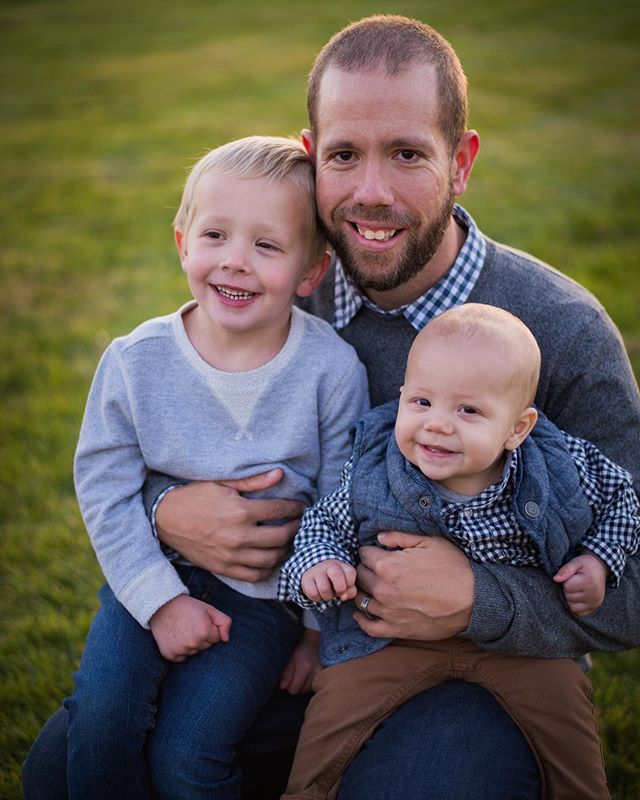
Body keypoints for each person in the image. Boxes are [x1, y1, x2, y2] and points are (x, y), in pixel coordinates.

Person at [22, 14, 640, 800]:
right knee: (60, 775)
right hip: (272, 635)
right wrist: (166, 507)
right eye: (345, 155)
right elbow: (158, 433)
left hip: (478, 674)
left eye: (409, 153)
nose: (372, 193)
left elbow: (634, 588)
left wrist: (480, 601)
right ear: (312, 157)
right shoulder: (273, 287)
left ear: (463, 161)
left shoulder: (558, 330)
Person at [61, 135, 369, 800]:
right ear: (182, 244)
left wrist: (316, 636)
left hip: (261, 604)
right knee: (102, 726)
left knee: (188, 754)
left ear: (310, 272)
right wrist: (161, 601)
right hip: (146, 575)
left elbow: (342, 503)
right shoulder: (133, 362)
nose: (235, 262)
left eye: (266, 245)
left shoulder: (330, 370)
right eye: (216, 235)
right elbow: (106, 487)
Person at [279, 303, 639, 800]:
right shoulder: (373, 468)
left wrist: (600, 557)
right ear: (402, 397)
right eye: (422, 402)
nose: (438, 425)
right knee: (333, 714)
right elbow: (324, 522)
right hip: (392, 643)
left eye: (468, 410)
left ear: (518, 427)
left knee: (568, 735)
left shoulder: (561, 466)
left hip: (523, 647)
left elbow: (624, 498)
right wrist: (319, 565)